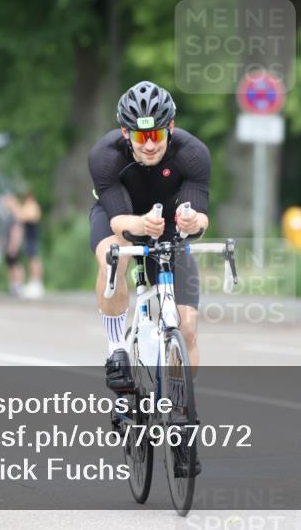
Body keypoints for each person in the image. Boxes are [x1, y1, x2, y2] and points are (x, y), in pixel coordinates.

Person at [87, 81, 210, 395]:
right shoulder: (104, 156)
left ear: (171, 127)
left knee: (189, 329)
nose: (150, 145)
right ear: (126, 133)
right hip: (121, 217)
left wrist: (193, 220)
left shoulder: (193, 153)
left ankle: (181, 404)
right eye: (142, 136)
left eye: (157, 134)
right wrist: (142, 224)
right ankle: (117, 350)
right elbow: (118, 222)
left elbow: (200, 221)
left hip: (168, 223)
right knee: (114, 255)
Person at [17, 191, 45, 298]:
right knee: (31, 259)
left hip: (33, 237)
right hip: (29, 237)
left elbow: (27, 217)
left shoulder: (33, 206)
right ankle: (34, 280)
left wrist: (19, 210)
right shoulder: (28, 206)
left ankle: (37, 282)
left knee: (34, 259)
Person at [0, 193, 24, 296]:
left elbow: (17, 230)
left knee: (15, 265)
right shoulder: (8, 215)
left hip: (12, 244)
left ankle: (18, 285)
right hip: (8, 244)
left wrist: (14, 244)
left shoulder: (15, 214)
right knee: (10, 265)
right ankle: (13, 285)